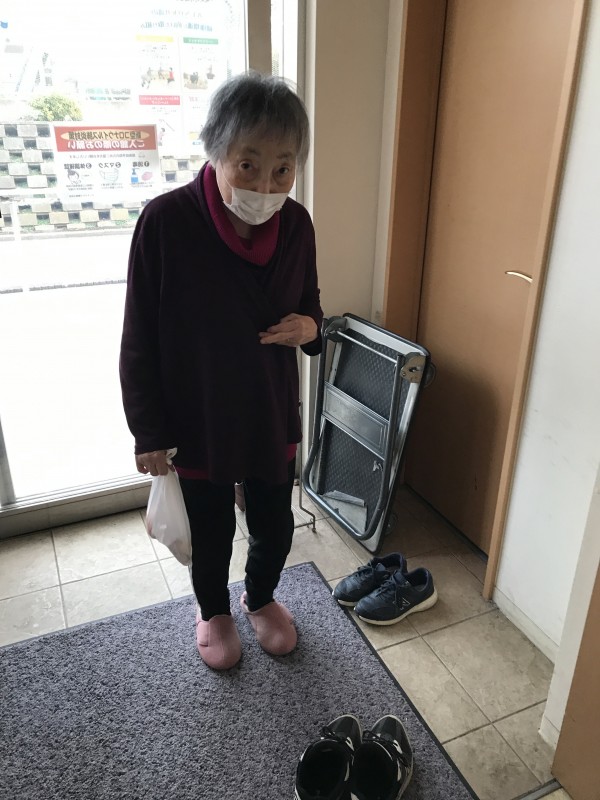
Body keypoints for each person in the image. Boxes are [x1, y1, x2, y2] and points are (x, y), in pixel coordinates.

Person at [119, 72, 323, 671]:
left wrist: (309, 328)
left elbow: (311, 306)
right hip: (198, 415)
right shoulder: (166, 222)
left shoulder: (297, 225)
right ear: (216, 151)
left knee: (274, 526)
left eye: (283, 169)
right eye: (248, 165)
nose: (265, 185)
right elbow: (139, 337)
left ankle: (260, 598)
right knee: (210, 534)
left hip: (269, 409)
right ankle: (213, 611)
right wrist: (148, 432)